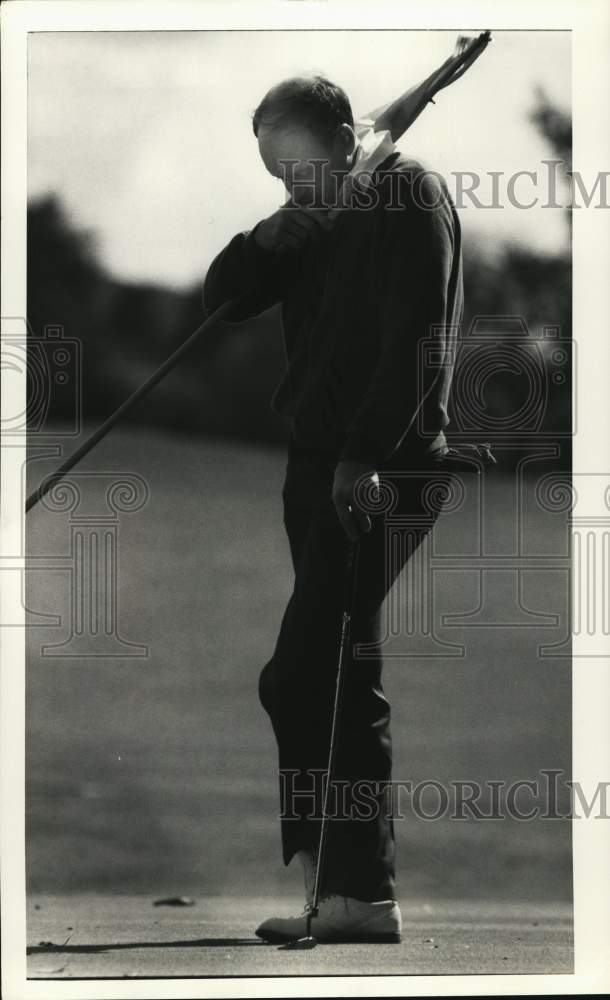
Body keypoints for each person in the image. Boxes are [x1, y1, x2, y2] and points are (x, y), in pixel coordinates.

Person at [202, 75, 463, 943]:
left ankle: (349, 887)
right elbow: (224, 298)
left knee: (303, 673)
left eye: (298, 168)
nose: (289, 187)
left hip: (385, 472)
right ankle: (349, 891)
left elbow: (416, 345)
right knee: (340, 675)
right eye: (274, 175)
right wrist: (264, 238)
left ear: (347, 137)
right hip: (317, 473)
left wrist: (359, 456)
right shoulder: (313, 221)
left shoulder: (405, 195)